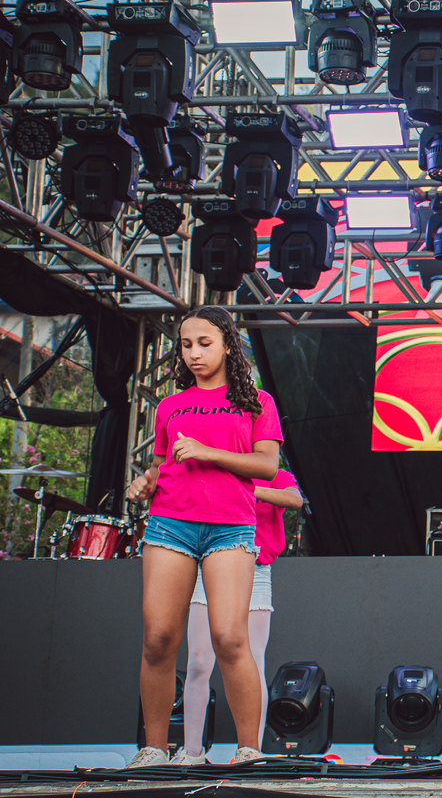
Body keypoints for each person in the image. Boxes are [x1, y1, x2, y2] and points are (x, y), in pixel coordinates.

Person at [125, 306, 283, 768]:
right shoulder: (170, 406)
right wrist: (146, 482)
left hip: (230, 527)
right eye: (186, 344)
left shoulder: (257, 402)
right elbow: (162, 465)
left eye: (205, 343)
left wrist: (208, 452)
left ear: (229, 345)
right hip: (169, 523)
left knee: (229, 638)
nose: (194, 353)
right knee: (158, 638)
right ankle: (154, 750)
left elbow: (267, 466)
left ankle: (248, 752)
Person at [172, 468, 303, 764]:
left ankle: (250, 751)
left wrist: (246, 489)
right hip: (209, 566)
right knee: (198, 661)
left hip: (256, 568)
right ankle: (191, 752)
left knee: (254, 661)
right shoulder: (215, 469)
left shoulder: (275, 474)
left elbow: (294, 500)